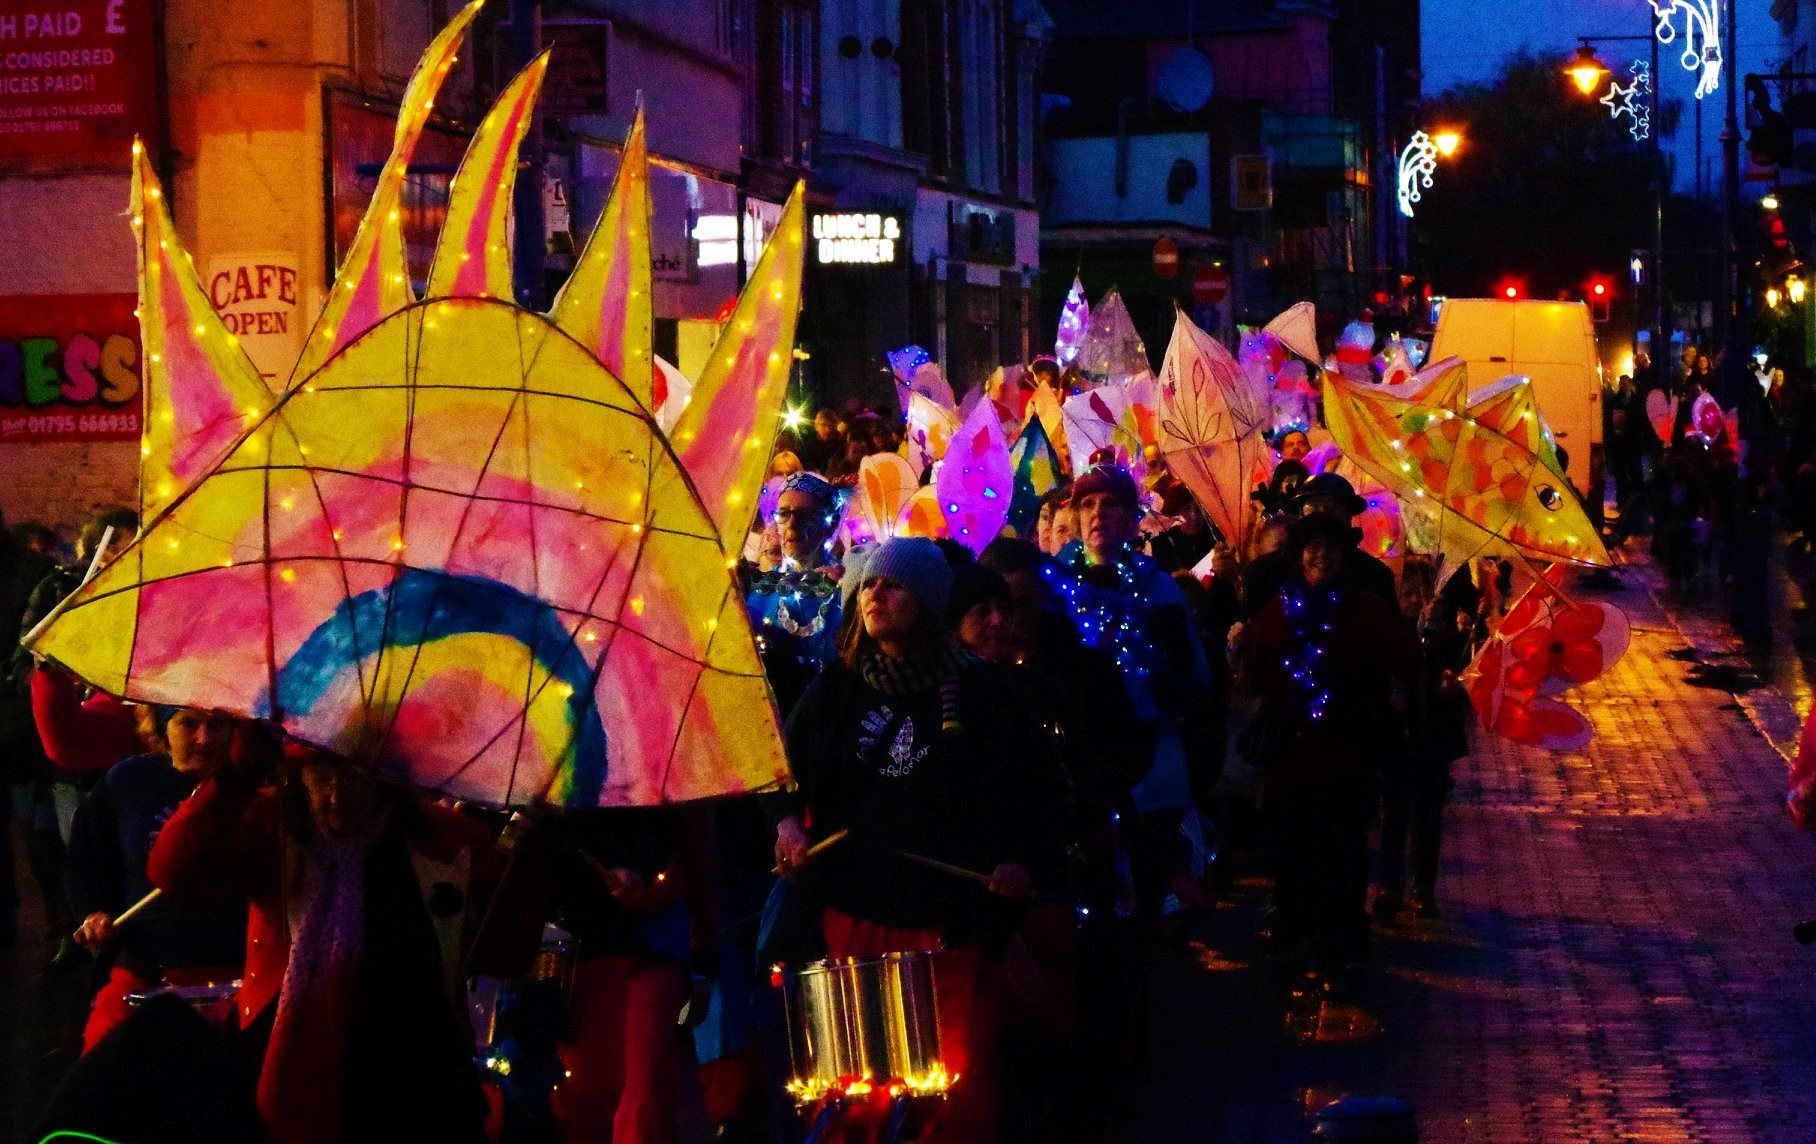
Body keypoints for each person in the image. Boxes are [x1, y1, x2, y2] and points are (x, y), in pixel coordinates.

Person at [772, 537, 1055, 1144]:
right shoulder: (840, 687)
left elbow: (1037, 794)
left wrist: (1020, 862)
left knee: (949, 1089)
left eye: (893, 585)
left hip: (947, 918)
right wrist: (788, 824)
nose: (875, 594)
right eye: (870, 584)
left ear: (927, 602)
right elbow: (784, 772)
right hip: (854, 910)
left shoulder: (983, 691)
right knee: (855, 1083)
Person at [148, 743, 544, 1144]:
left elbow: (507, 957)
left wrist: (526, 871)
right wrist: (236, 776)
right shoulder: (270, 822)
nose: (336, 797)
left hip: (418, 1077)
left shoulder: (443, 836)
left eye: (355, 777)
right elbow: (174, 872)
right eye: (320, 778)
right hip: (283, 1062)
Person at [1236, 514, 1417, 982]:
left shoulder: (1367, 609)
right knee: (1291, 847)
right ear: (1298, 556)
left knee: (1345, 850)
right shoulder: (1277, 611)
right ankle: (1296, 926)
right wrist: (1241, 647)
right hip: (1292, 760)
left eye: (1330, 547)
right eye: (1312, 547)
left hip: (1347, 756)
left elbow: (1405, 661)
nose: (1322, 555)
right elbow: (1254, 679)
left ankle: (1344, 936)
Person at [1055, 457, 1219, 917]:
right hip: (1079, 760)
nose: (1098, 513)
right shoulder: (1056, 585)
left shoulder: (1158, 588)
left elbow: (1197, 686)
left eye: (1110, 504)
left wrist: (1176, 661)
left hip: (1149, 760)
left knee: (1147, 885)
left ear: (1131, 520)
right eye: (1087, 503)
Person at [65, 707, 247, 1050]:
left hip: (241, 968)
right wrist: (93, 913)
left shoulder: (257, 785)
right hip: (147, 968)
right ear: (162, 728)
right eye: (188, 723)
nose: (204, 739)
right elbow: (85, 863)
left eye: (218, 724)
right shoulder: (127, 782)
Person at [1372, 558, 1472, 922]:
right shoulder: (1390, 630)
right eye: (1407, 593)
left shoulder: (1445, 632)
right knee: (1395, 811)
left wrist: (1450, 681)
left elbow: (1461, 670)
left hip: (1433, 733)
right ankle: (1390, 884)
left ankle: (1422, 886)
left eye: (1420, 593)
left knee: (1428, 813)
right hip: (1397, 734)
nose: (1414, 600)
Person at [0, 505, 55, 944]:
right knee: (38, 827)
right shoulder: (34, 568)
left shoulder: (34, 571)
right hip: (26, 716)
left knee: (41, 826)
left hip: (24, 717)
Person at [1243, 472, 1396, 614]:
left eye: (1332, 508)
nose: (1322, 515)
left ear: (1348, 517)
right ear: (1301, 514)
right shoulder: (1265, 572)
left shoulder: (1373, 576)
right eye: (1315, 507)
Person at [745, 472, 845, 673]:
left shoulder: (845, 584)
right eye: (784, 513)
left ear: (831, 523)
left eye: (805, 514)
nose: (792, 524)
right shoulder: (765, 587)